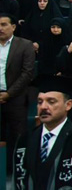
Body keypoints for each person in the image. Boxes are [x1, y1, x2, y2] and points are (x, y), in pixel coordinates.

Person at [0, 13, 35, 163]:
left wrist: (9, 94)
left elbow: (27, 73)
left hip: (16, 98)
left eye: (4, 25)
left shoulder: (25, 45)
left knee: (18, 136)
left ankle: (17, 168)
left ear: (13, 27)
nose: (0, 28)